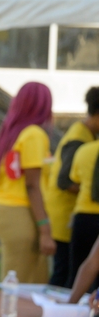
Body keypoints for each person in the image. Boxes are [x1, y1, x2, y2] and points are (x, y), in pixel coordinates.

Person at [0, 82, 55, 283]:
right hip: (20, 213)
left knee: (18, 280)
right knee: (22, 287)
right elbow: (32, 185)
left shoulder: (11, 133)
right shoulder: (34, 134)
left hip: (5, 210)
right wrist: (45, 230)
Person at [45, 87, 99, 287]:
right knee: (66, 274)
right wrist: (90, 187)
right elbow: (64, 181)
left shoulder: (87, 136)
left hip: (73, 217)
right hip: (65, 217)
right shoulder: (78, 138)